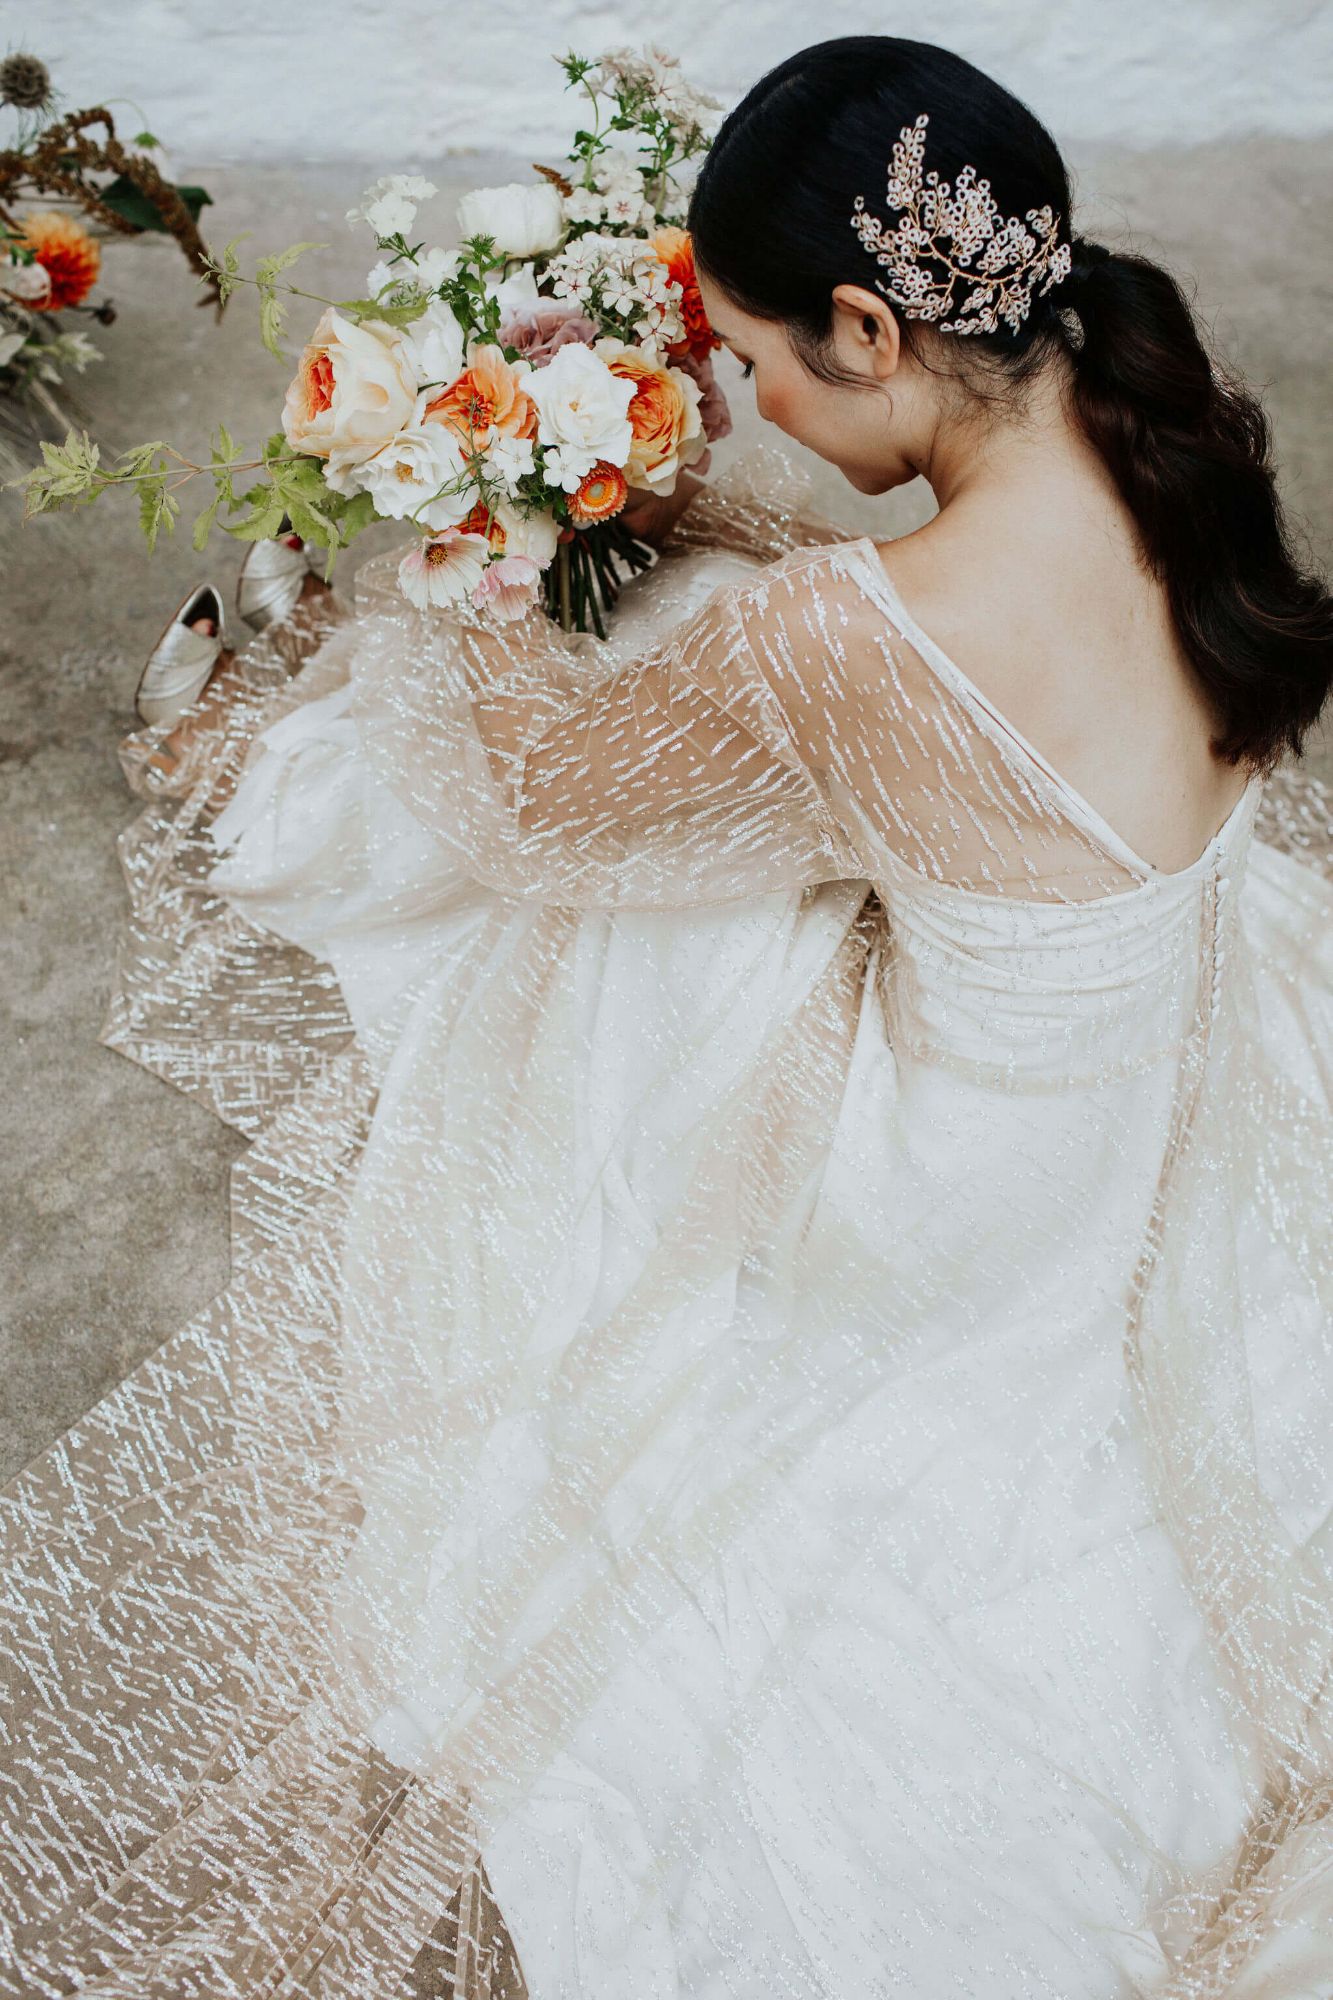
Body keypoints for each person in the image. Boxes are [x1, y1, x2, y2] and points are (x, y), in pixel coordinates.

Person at [4, 34, 1333, 1999]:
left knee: (577, 942)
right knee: (707, 637)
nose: (762, 407)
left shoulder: (852, 638)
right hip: (1144, 1074)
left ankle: (232, 765)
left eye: (768, 361)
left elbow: (538, 809)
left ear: (872, 327)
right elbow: (908, 626)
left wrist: (480, 565)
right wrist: (694, 516)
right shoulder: (1147, 393)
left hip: (953, 1217)